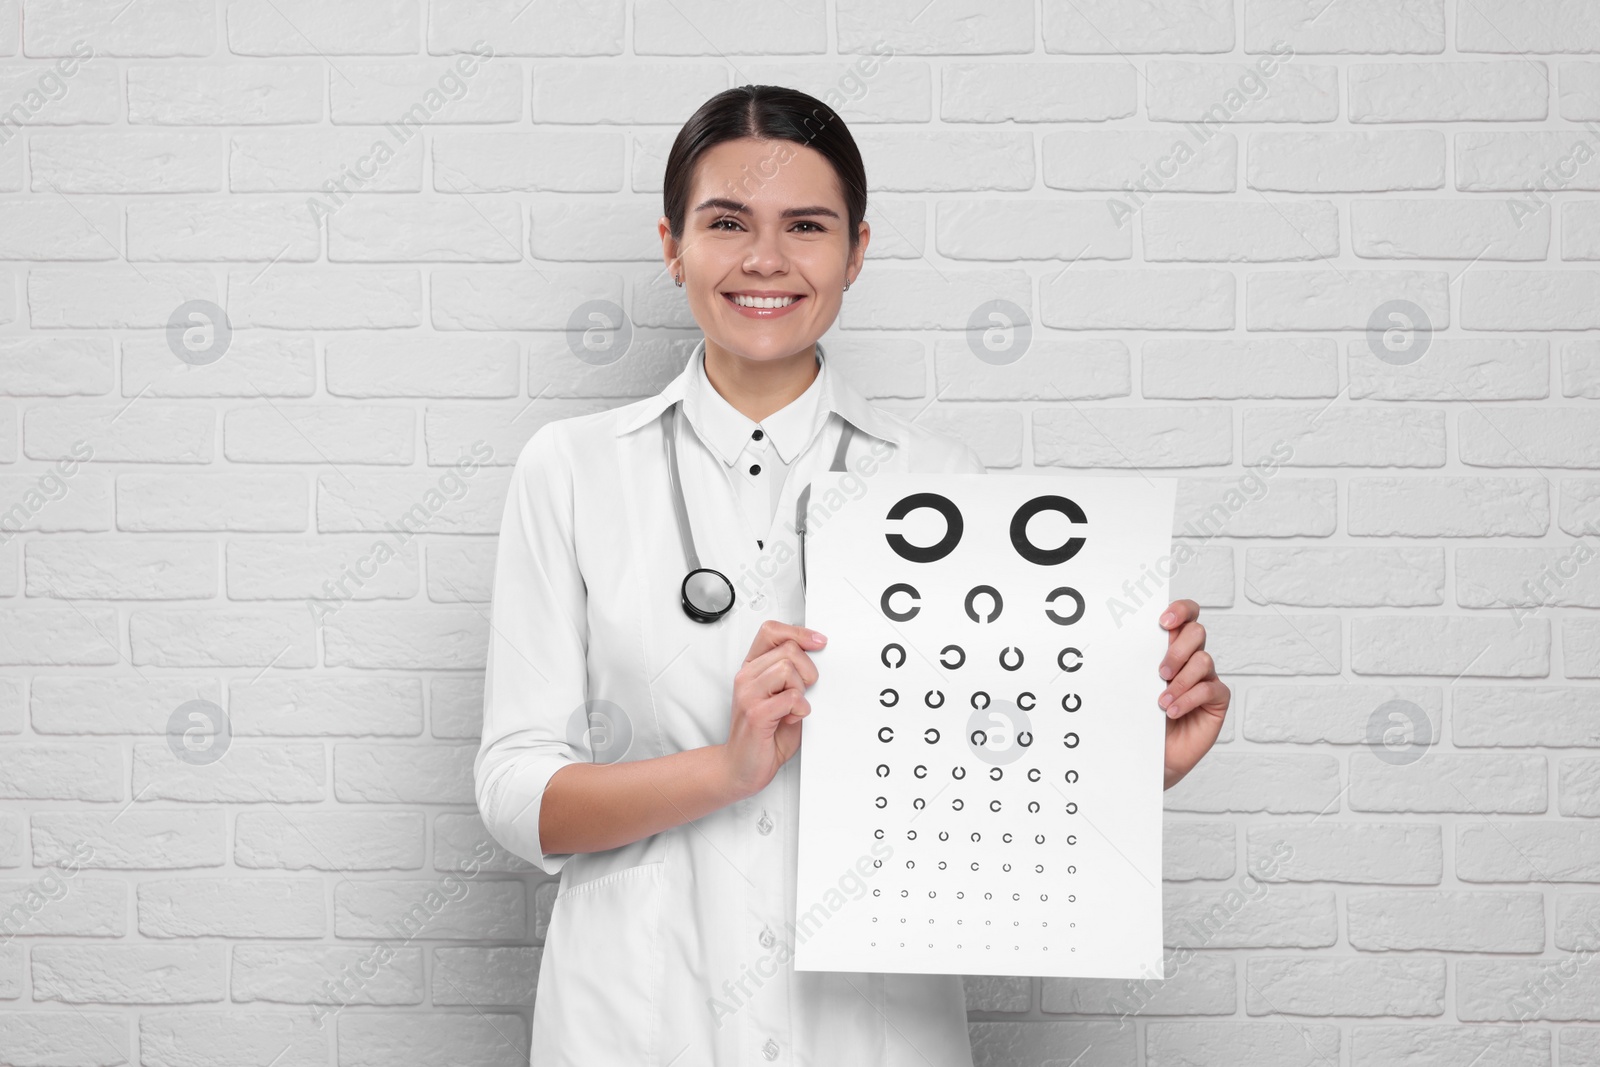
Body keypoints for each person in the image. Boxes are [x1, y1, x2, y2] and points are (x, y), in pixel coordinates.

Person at [474, 84, 1231, 1067]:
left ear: (856, 251)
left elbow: (978, 783)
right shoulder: (571, 469)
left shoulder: (937, 481)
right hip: (635, 1017)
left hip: (870, 1031)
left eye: (806, 226)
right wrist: (726, 768)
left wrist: (1123, 768)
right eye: (726, 223)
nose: (765, 259)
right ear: (671, 245)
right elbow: (513, 787)